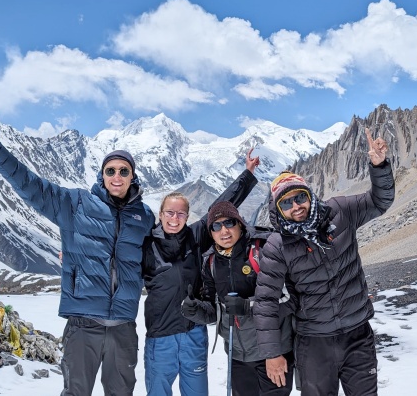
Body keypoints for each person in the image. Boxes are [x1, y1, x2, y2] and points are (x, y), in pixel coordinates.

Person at [0, 107, 154, 396]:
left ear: (132, 177)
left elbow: (163, 255)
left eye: (123, 171)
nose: (117, 176)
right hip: (83, 324)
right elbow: (30, 186)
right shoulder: (75, 204)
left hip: (124, 327)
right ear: (102, 176)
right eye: (110, 170)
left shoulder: (144, 217)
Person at [253, 127, 395, 396]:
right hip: (314, 343)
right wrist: (272, 353)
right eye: (286, 203)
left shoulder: (339, 212)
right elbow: (265, 302)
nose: (296, 206)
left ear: (309, 195)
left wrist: (380, 166)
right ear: (277, 210)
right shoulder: (277, 245)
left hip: (357, 336)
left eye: (300, 197)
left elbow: (380, 201)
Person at [141, 148, 260, 396]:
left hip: (193, 333)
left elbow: (223, 207)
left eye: (181, 213)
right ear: (160, 214)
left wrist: (247, 174)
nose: (175, 218)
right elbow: (115, 254)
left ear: (187, 215)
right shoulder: (146, 244)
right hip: (160, 337)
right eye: (170, 213)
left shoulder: (196, 236)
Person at [181, 201, 296, 396]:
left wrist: (247, 306)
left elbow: (291, 299)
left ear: (240, 223)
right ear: (210, 232)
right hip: (238, 356)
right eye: (216, 226)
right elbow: (215, 310)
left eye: (229, 223)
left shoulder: (264, 249)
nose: (223, 231)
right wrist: (196, 310)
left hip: (272, 352)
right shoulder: (211, 262)